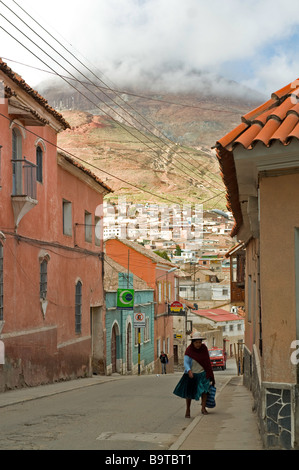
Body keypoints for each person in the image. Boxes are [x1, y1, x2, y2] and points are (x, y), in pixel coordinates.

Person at [173, 332, 215, 417]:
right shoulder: (189, 350)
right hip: (192, 375)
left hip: (203, 374)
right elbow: (186, 363)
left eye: (199, 342)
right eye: (196, 342)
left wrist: (209, 374)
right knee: (189, 393)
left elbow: (207, 362)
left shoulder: (204, 349)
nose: (198, 344)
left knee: (205, 391)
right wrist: (189, 371)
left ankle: (203, 408)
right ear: (193, 342)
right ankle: (188, 409)